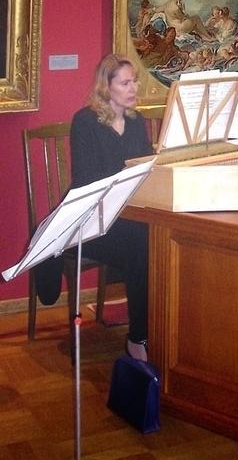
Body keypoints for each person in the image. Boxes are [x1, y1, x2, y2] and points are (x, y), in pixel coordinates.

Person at [70, 54, 154, 361]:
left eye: (135, 82)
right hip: (92, 221)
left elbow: (145, 168)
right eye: (125, 83)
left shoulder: (136, 121)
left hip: (126, 217)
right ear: (106, 87)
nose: (133, 88)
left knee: (156, 238)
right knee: (140, 244)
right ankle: (138, 338)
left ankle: (155, 329)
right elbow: (86, 180)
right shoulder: (85, 122)